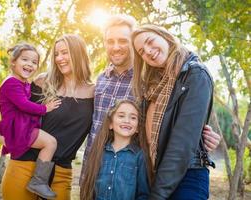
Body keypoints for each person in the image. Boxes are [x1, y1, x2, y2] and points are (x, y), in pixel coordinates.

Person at [81, 14, 221, 181]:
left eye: (123, 41)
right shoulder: (102, 79)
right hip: (91, 170)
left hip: (128, 176)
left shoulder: (152, 82)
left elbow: (176, 117)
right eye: (110, 41)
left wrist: (202, 135)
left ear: (134, 44)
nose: (116, 47)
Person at [1, 35, 94, 200]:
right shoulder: (43, 81)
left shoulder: (96, 92)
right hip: (24, 164)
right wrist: (6, 129)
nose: (59, 58)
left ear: (78, 53)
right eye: (56, 54)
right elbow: (17, 108)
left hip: (61, 171)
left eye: (65, 53)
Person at [132, 24, 214, 199]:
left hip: (187, 177)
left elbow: (182, 143)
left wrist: (158, 194)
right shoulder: (152, 85)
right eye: (141, 52)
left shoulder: (195, 74)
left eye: (150, 41)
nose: (148, 51)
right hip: (155, 174)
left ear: (165, 36)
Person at [0, 43, 61, 199]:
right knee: (51, 143)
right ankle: (38, 181)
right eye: (25, 59)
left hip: (19, 125)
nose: (30, 64)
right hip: (17, 128)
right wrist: (46, 108)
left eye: (34, 62)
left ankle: (38, 180)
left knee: (49, 142)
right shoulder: (11, 82)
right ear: (13, 62)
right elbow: (24, 105)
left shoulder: (23, 83)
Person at [80, 100, 150, 200]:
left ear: (138, 128)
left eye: (133, 117)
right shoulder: (99, 152)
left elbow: (144, 194)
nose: (127, 120)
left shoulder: (140, 156)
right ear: (110, 124)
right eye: (121, 116)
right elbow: (89, 187)